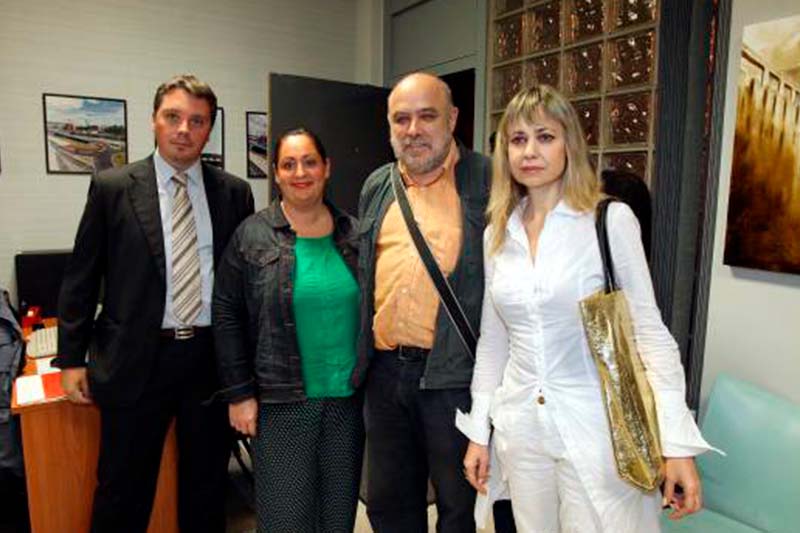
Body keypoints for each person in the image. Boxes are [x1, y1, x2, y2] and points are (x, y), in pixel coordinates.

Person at [459, 85, 718, 531]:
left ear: (570, 144)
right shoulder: (498, 234)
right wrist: (479, 432)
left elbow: (650, 333)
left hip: (597, 428)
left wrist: (676, 445)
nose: (530, 151)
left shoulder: (608, 220)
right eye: (518, 139)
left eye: (545, 136)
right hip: (522, 426)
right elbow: (494, 342)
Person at [56, 74, 255, 533]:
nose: (184, 129)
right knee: (122, 489)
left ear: (209, 129)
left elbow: (242, 287)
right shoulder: (112, 187)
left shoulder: (234, 193)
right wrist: (71, 358)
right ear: (153, 121)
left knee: (207, 489)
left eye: (197, 120)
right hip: (135, 360)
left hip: (207, 362)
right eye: (173, 117)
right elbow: (82, 276)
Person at [354, 71, 493, 532]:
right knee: (389, 504)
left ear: (452, 119)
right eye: (401, 119)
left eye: (427, 116)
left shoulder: (489, 180)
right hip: (384, 374)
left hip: (454, 378)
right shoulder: (378, 184)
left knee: (459, 507)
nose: (413, 130)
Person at [213, 128, 363, 532]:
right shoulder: (252, 235)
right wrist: (239, 393)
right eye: (289, 164)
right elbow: (226, 313)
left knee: (337, 516)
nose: (300, 172)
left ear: (326, 168)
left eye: (310, 162)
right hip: (281, 403)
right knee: (286, 519)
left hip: (347, 402)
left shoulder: (354, 234)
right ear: (276, 174)